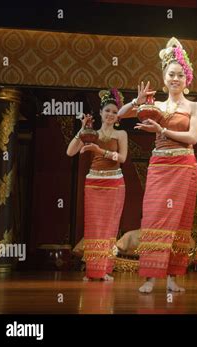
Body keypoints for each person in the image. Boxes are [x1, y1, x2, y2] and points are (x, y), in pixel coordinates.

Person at [118, 37, 197, 293]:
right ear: (164, 78)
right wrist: (137, 100)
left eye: (180, 74)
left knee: (180, 222)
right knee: (155, 218)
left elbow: (193, 138)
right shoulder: (156, 104)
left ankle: (172, 278)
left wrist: (161, 128)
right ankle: (150, 277)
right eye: (171, 74)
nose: (175, 78)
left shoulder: (194, 106)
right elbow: (120, 115)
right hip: (159, 166)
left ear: (186, 79)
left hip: (184, 164)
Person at [66, 89, 128, 281]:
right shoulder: (91, 133)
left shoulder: (121, 134)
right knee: (94, 227)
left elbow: (123, 158)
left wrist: (98, 150)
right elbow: (70, 152)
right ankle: (92, 269)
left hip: (115, 182)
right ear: (100, 113)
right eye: (107, 110)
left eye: (114, 112)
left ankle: (104, 270)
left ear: (117, 116)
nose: (110, 114)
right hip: (93, 182)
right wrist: (81, 129)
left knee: (109, 227)